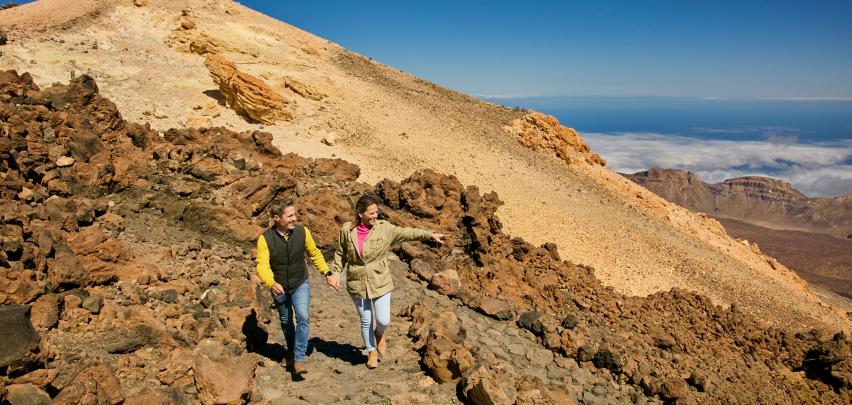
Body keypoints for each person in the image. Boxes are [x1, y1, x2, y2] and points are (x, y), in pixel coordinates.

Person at [328, 194, 445, 369]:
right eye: (372, 213)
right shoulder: (347, 230)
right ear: (360, 213)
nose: (375, 216)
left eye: (376, 212)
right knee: (366, 319)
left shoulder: (384, 228)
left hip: (380, 279)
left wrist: (429, 235)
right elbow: (340, 254)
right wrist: (335, 273)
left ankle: (379, 335)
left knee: (383, 320)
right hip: (356, 281)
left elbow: (407, 232)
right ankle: (371, 352)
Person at [255, 199, 338, 375]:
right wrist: (271, 282)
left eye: (295, 214)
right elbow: (262, 265)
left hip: (300, 282)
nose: (294, 218)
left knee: (303, 317)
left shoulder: (302, 232)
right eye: (290, 215)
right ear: (277, 218)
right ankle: (291, 352)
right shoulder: (265, 239)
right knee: (286, 321)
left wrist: (327, 274)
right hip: (279, 287)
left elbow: (314, 253)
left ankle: (299, 358)